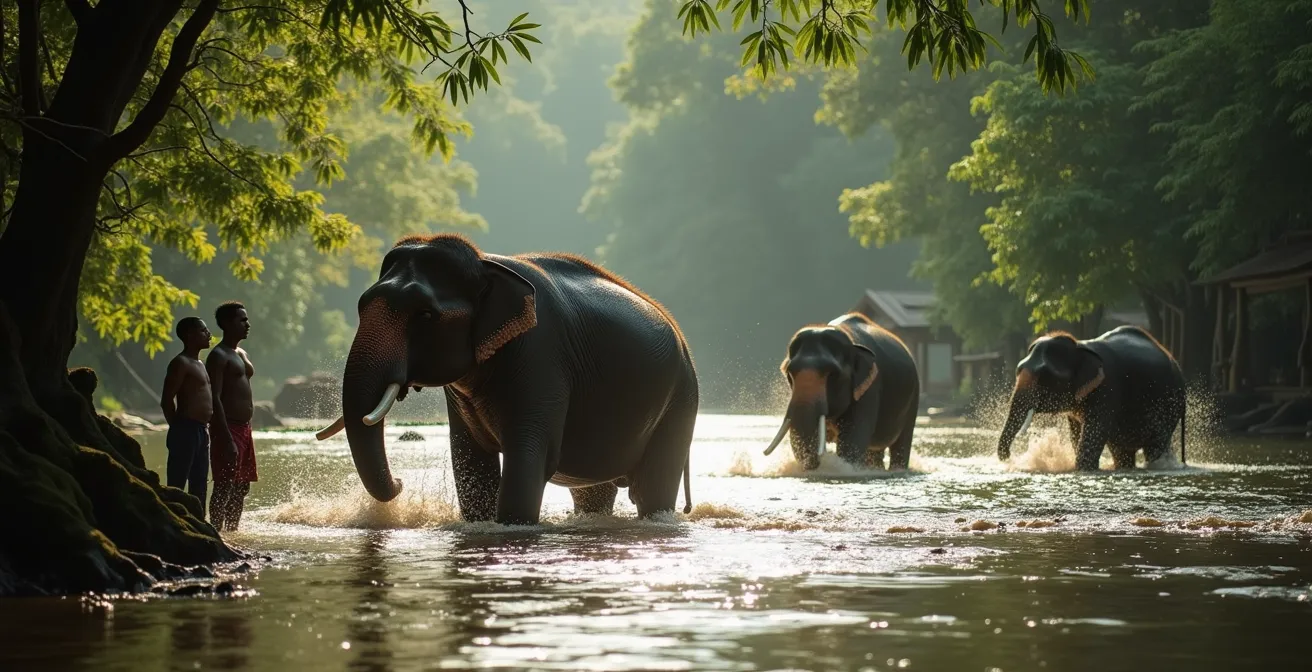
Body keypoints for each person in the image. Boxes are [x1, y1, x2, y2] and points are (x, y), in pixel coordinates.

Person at [206, 301, 258, 531]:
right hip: (228, 427)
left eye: (246, 319)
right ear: (227, 324)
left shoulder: (241, 352)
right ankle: (216, 531)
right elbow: (214, 397)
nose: (247, 324)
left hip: (245, 428)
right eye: (242, 320)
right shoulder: (218, 356)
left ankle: (232, 532)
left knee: (242, 486)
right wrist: (225, 436)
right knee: (224, 483)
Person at [160, 316, 215, 516]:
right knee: (177, 483)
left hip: (202, 430)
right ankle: (173, 520)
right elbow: (167, 400)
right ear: (190, 335)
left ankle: (199, 524)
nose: (208, 334)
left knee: (200, 483)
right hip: (186, 429)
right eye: (203, 331)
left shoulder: (200, 363)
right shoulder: (180, 363)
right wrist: (177, 428)